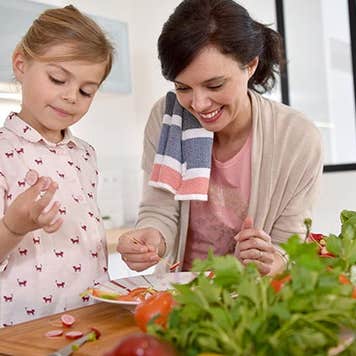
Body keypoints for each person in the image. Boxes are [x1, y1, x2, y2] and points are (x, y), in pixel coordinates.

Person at [117, 0, 323, 276]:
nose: (199, 104)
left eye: (214, 85)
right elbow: (159, 209)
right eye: (182, 87)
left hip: (254, 297)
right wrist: (151, 238)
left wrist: (271, 260)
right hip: (180, 293)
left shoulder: (297, 136)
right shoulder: (168, 117)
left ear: (250, 66)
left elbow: (289, 244)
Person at [0, 5, 114, 326]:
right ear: (21, 63)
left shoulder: (85, 154)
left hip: (91, 323)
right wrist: (12, 227)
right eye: (58, 79)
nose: (71, 96)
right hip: (22, 334)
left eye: (86, 90)